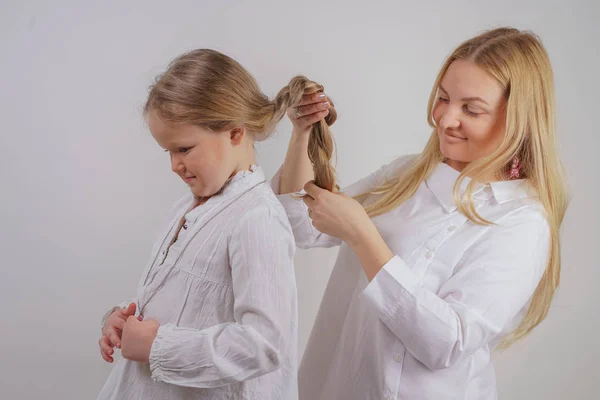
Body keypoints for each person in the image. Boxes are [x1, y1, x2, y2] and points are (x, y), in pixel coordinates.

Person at [274, 27, 568, 399]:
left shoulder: (522, 222)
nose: (445, 120)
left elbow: (446, 343)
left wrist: (363, 236)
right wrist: (302, 135)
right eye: (444, 98)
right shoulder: (406, 173)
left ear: (519, 120)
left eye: (471, 109)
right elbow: (303, 227)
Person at [96, 49, 326, 400]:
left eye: (185, 149)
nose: (175, 165)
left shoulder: (256, 220)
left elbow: (264, 344)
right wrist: (125, 319)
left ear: (235, 132)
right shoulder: (185, 209)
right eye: (168, 152)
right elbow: (189, 302)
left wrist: (159, 346)